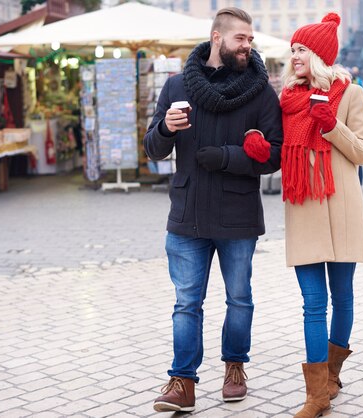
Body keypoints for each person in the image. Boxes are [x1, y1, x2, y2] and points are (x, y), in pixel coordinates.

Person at [143, 7, 283, 413]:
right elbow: (153, 148)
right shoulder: (175, 86)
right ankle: (182, 381)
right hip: (187, 214)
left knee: (239, 298)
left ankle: (235, 367)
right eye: (241, 38)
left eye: (251, 39)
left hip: (238, 214)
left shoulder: (260, 92)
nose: (248, 45)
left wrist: (225, 157)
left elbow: (274, 155)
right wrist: (166, 128)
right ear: (217, 38)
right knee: (187, 301)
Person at [280, 13, 363, 418]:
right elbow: (278, 147)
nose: (294, 55)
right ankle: (316, 396)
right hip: (303, 209)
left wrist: (331, 124)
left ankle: (332, 376)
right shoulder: (285, 99)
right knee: (313, 302)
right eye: (293, 49)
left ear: (319, 54)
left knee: (343, 296)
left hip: (343, 209)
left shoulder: (352, 94)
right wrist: (259, 149)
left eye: (301, 49)